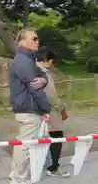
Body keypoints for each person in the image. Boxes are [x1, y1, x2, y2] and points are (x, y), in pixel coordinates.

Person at [9, 28, 52, 184]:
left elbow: (43, 76)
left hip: (27, 107)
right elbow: (35, 88)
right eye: (33, 39)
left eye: (37, 38)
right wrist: (46, 108)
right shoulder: (24, 61)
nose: (37, 41)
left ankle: (16, 175)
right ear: (22, 42)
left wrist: (43, 80)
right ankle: (19, 179)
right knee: (25, 146)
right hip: (28, 109)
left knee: (23, 144)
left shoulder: (28, 59)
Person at [35, 47, 70, 178]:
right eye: (51, 61)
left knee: (39, 138)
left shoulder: (30, 71)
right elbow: (52, 96)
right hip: (49, 110)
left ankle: (40, 164)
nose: (52, 64)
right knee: (57, 137)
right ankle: (53, 167)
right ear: (46, 60)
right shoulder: (44, 74)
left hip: (35, 109)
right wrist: (62, 109)